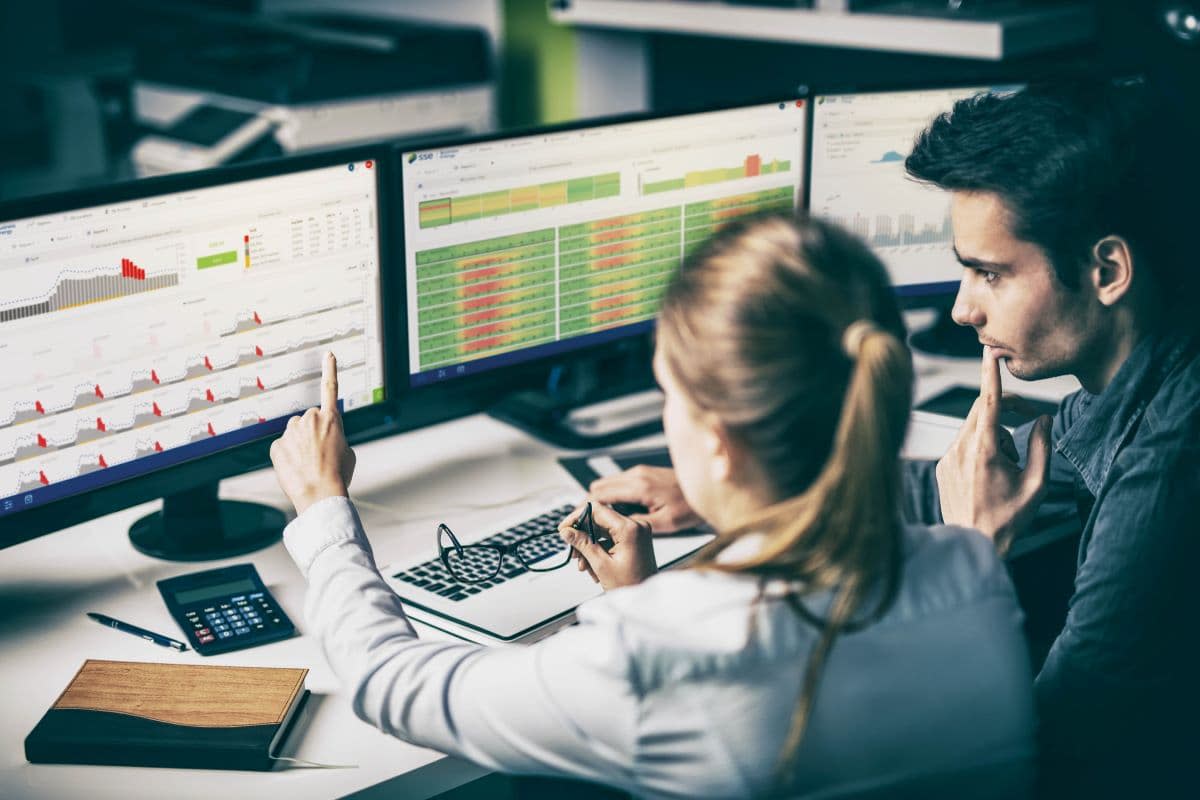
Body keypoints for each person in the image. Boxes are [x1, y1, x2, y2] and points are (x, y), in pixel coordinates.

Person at [270, 215, 1034, 799]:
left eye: (670, 395)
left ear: (722, 443)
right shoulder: (975, 564)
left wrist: (322, 505)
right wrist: (640, 601)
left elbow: (392, 685)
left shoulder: (656, 652)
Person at [596, 80, 1200, 797]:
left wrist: (974, 554)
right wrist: (731, 487)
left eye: (989, 274)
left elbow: (1052, 757)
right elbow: (967, 472)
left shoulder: (1167, 469)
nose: (962, 308)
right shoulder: (1143, 375)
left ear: (1106, 271)